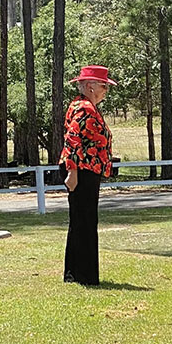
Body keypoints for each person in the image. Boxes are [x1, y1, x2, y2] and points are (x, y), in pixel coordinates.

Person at [59, 65, 117, 285]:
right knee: (84, 222)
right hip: (81, 170)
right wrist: (72, 172)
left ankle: (75, 274)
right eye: (104, 86)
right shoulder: (84, 108)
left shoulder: (83, 106)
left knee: (81, 222)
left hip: (86, 169)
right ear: (91, 87)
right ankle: (83, 275)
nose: (105, 91)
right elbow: (73, 139)